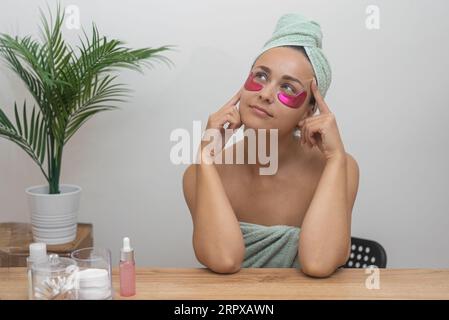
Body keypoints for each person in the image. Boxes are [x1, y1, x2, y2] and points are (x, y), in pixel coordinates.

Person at [182, 13, 359, 278]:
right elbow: (225, 259)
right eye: (261, 76)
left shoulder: (340, 167)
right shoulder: (202, 172)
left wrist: (335, 160)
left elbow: (318, 264)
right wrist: (206, 159)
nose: (264, 94)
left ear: (309, 112)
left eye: (288, 88)